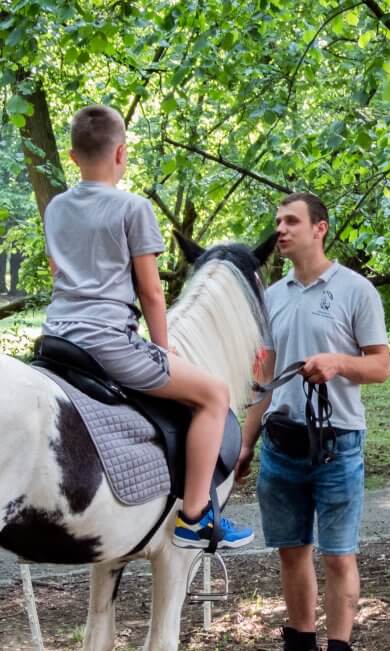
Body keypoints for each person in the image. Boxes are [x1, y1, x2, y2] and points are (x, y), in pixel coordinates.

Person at [41, 104, 252, 549]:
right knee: (214, 394)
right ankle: (195, 515)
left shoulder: (57, 207)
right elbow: (152, 294)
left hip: (57, 338)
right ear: (122, 154)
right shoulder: (133, 208)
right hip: (107, 341)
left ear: (73, 157)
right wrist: (164, 348)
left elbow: (59, 271)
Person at [237, 192, 390, 651]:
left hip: (337, 442)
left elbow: (381, 366)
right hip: (282, 441)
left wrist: (338, 363)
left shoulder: (355, 291)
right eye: (277, 221)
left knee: (337, 555)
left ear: (320, 228)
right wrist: (245, 441)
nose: (280, 230)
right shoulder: (272, 296)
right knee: (290, 551)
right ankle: (300, 650)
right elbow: (265, 380)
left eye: (291, 221)